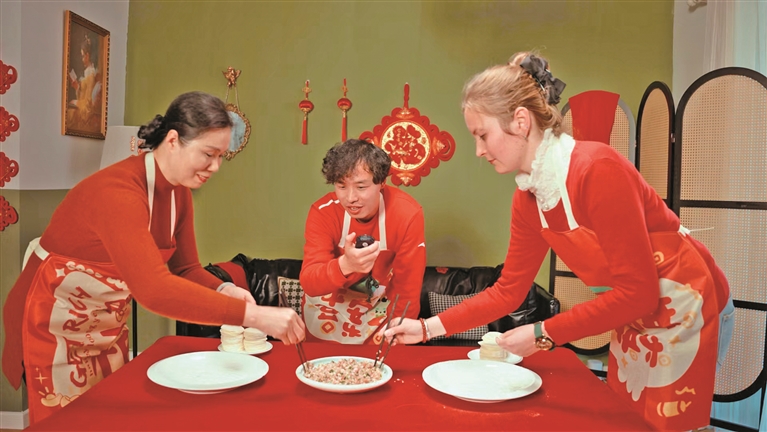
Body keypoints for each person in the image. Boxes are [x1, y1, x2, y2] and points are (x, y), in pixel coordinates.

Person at [385, 53, 734, 431]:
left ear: (520, 121)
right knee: (629, 420)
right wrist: (426, 328)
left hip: (688, 303)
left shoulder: (596, 170)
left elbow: (639, 291)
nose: (479, 151)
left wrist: (542, 334)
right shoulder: (528, 198)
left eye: (482, 135)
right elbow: (507, 291)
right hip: (635, 314)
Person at [2, 91, 305, 424]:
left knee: (106, 418)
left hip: (104, 326)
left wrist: (224, 289)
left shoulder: (179, 193)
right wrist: (255, 316)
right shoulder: (117, 192)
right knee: (69, 422)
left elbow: (185, 268)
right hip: (52, 320)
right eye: (208, 154)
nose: (216, 167)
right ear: (173, 140)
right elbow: (153, 290)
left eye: (221, 156)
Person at [299, 138, 426, 344]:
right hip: (328, 308)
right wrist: (345, 265)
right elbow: (310, 282)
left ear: (382, 182)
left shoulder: (407, 214)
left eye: (361, 186)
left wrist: (397, 336)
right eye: (341, 186)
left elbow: (407, 290)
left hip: (377, 307)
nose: (350, 198)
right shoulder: (323, 212)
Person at [66, 34, 102, 132]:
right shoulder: (88, 74)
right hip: (83, 111)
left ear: (87, 56)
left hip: (85, 114)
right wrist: (77, 87)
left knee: (68, 115)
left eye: (82, 56)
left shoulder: (91, 75)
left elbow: (88, 106)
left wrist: (76, 102)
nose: (82, 59)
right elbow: (84, 95)